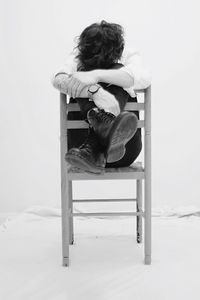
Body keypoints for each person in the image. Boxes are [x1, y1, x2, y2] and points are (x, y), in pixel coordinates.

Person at [51, 20, 151, 173]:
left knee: (119, 72)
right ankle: (105, 128)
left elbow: (143, 78)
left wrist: (95, 75)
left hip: (123, 150)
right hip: (80, 149)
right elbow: (58, 79)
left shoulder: (128, 54)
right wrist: (95, 91)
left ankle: (97, 140)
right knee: (79, 75)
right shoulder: (77, 57)